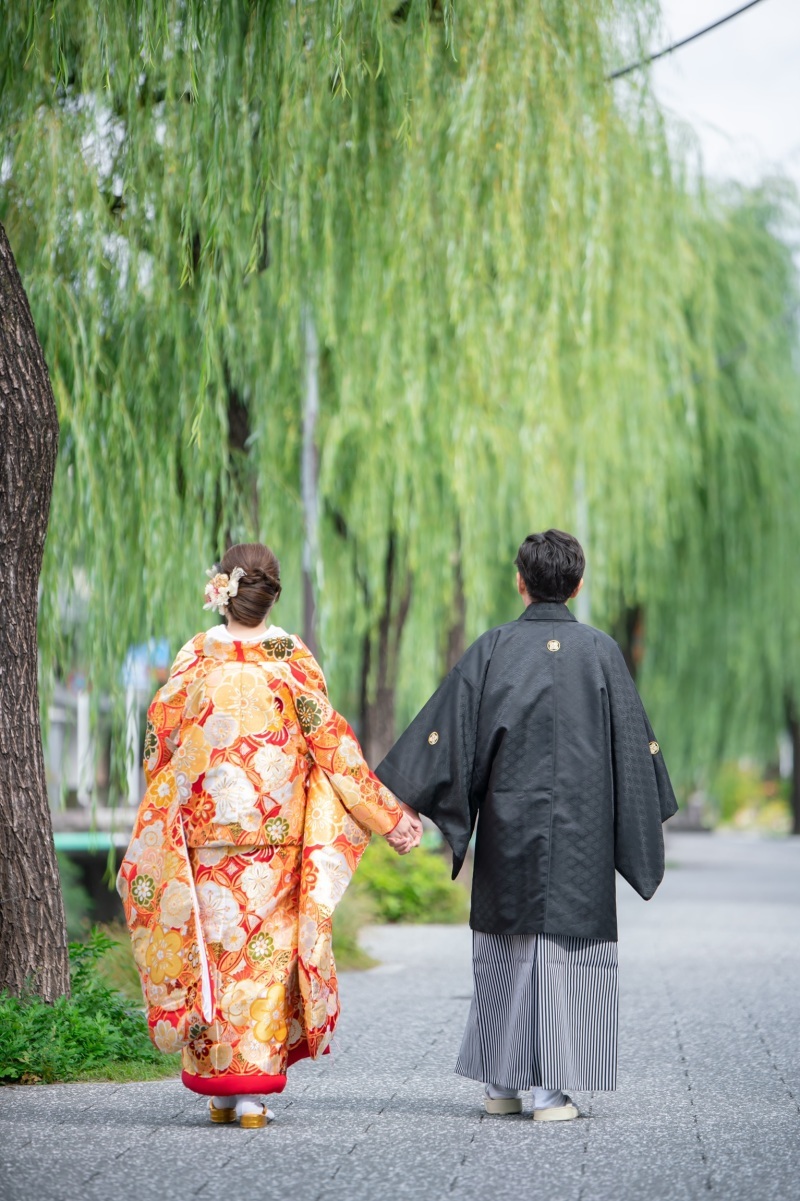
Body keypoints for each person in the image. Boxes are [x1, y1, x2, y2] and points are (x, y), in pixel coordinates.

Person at [376, 529, 677, 1121]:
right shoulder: (602, 652)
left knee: (505, 948)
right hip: (582, 833)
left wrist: (405, 803)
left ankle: (502, 1086)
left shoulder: (492, 649)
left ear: (520, 581)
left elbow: (447, 734)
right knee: (569, 950)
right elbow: (633, 751)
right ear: (579, 584)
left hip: (509, 825)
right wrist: (637, 816)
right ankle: (551, 1093)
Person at [118, 542, 421, 1128]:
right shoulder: (290, 657)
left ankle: (221, 1091)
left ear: (221, 591)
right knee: (261, 959)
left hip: (203, 838)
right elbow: (332, 749)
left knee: (212, 953)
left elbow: (159, 743)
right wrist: (389, 816)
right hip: (273, 839)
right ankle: (252, 1097)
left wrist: (173, 804)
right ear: (272, 595)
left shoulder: (193, 658)